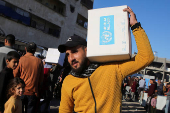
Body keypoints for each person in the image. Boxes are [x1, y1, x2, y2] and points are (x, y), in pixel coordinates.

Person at [58, 7, 154, 113]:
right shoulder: (68, 80)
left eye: (75, 51)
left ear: (86, 50)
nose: (71, 58)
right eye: (67, 55)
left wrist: (135, 26)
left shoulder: (112, 69)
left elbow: (146, 57)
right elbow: (64, 110)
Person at [13, 42, 44, 113]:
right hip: (32, 92)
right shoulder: (39, 62)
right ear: (35, 50)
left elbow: (15, 74)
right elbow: (41, 79)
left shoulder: (21, 59)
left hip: (21, 91)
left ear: (25, 49)